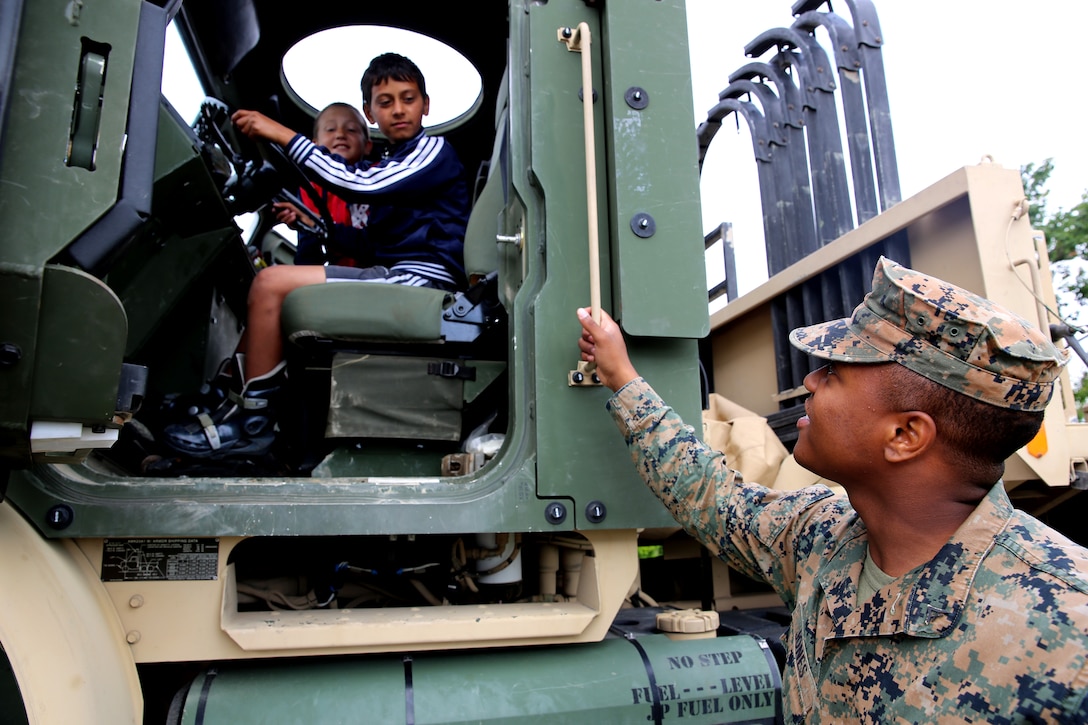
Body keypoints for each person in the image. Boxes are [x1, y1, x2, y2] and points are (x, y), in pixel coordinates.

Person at [576, 256, 1088, 722]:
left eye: (836, 372)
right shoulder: (822, 537)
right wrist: (623, 377)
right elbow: (710, 495)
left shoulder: (1064, 633)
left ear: (905, 436)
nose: (811, 382)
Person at [164, 53, 470, 458]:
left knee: (270, 283)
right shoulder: (395, 159)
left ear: (426, 105)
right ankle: (229, 396)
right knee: (273, 285)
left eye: (408, 98)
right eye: (385, 101)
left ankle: (254, 423)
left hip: (421, 280)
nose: (398, 109)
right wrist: (317, 227)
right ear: (372, 112)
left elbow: (360, 186)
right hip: (396, 270)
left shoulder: (432, 150)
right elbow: (371, 243)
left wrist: (281, 134)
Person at [275, 101, 373, 267]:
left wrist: (314, 221)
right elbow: (307, 252)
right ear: (314, 144)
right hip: (339, 275)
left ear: (367, 146)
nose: (340, 134)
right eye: (330, 129)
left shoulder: (375, 177)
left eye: (351, 130)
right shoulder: (310, 189)